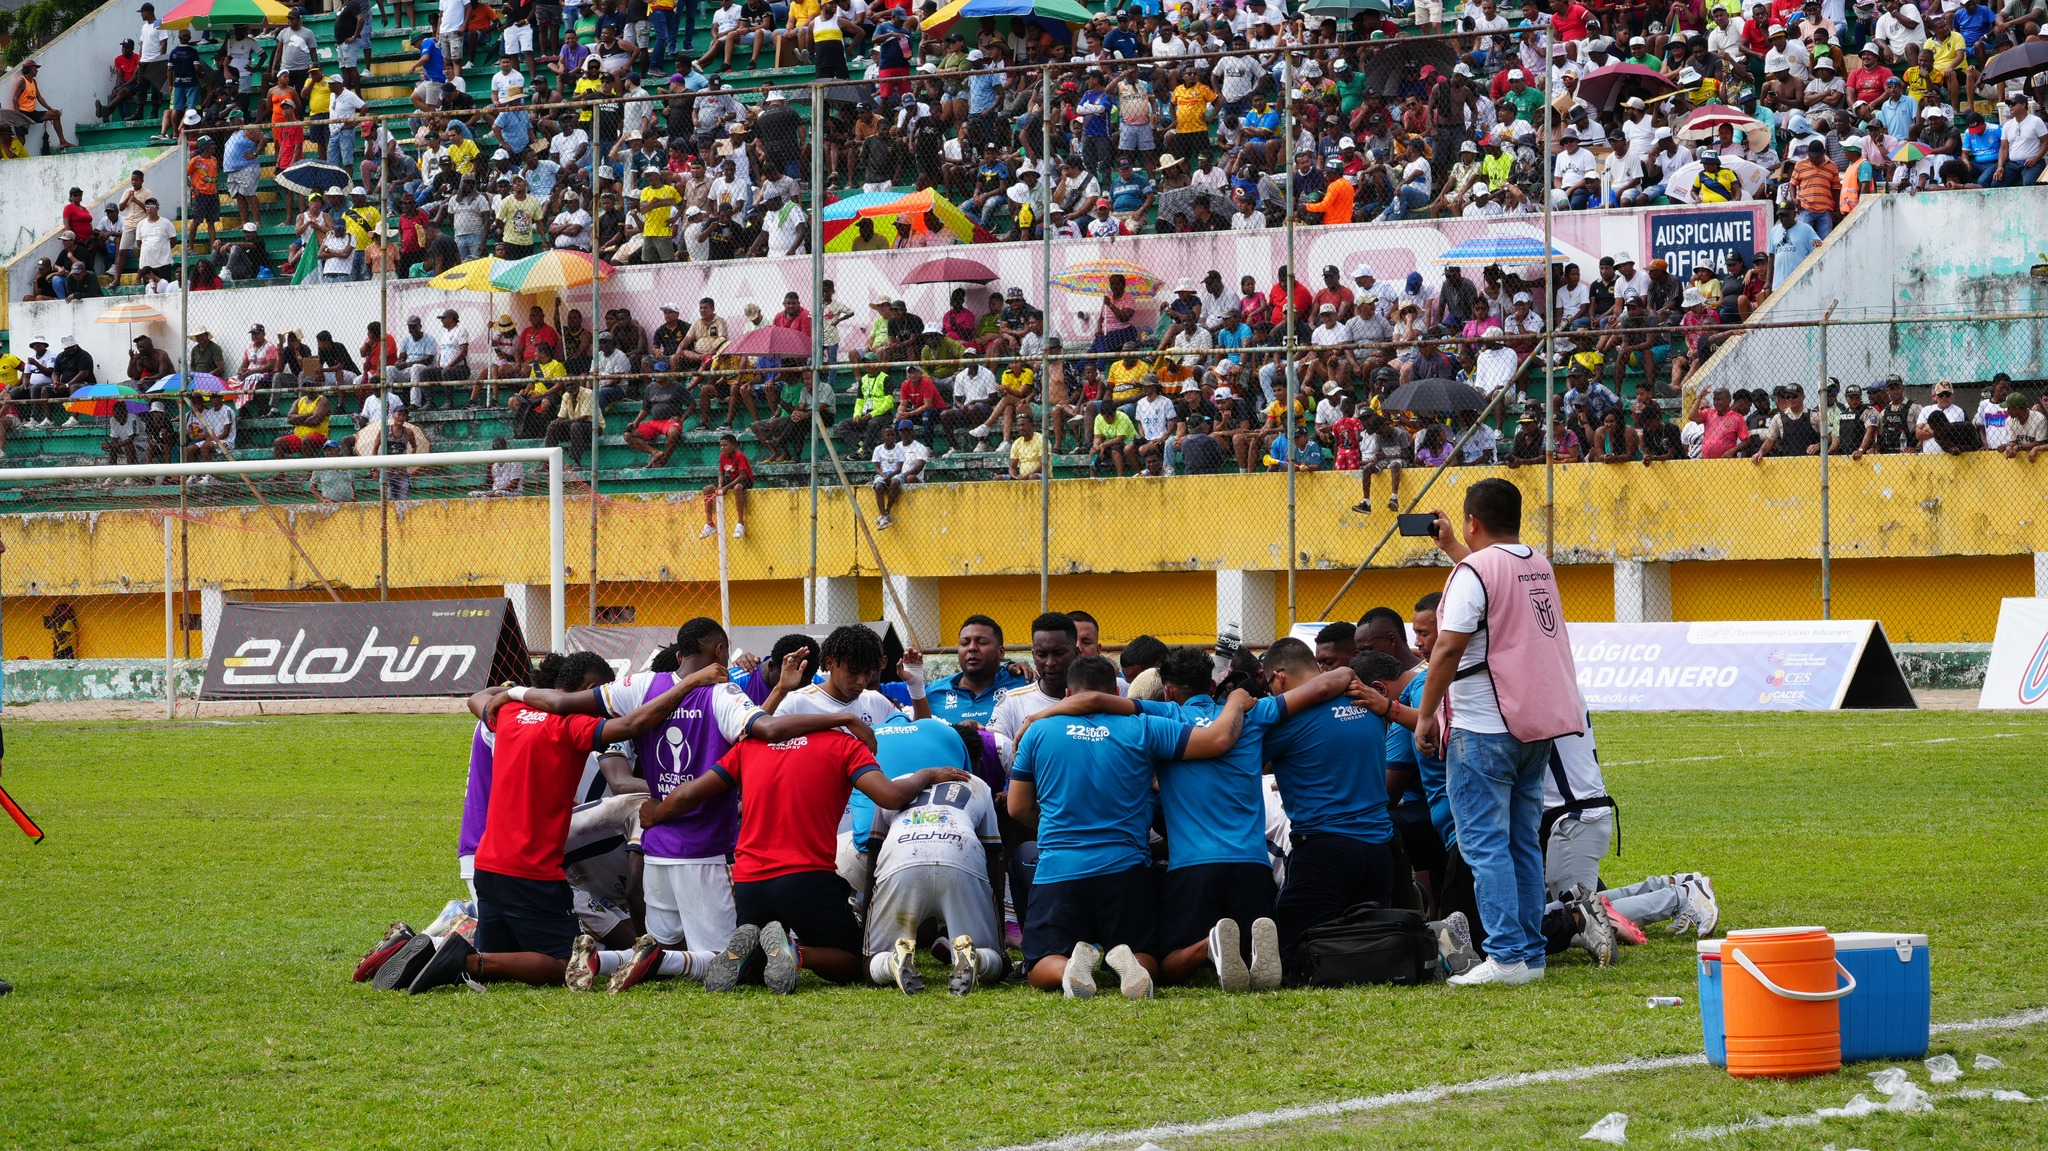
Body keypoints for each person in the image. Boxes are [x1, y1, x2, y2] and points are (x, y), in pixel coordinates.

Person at [1031, 645, 1384, 990]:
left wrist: (1039, 718)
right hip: (1251, 863)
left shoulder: (1162, 718)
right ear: (1213, 685)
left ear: (1168, 690)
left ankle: (1207, 946)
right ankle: (1248, 949)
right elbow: (1326, 684)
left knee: (1167, 966)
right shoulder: (1255, 713)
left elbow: (1095, 701)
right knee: (1254, 926)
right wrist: (1354, 679)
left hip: (1192, 866)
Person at [399, 663, 727, 993]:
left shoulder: (511, 712)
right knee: (563, 965)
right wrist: (691, 683)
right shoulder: (572, 724)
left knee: (503, 960)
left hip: (487, 865)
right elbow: (633, 724)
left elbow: (478, 698)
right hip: (533, 871)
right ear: (589, 688)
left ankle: (419, 949)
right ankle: (468, 961)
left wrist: (511, 691)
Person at [632, 710, 963, 993]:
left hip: (750, 883)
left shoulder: (750, 746)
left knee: (758, 971)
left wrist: (655, 814)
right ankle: (795, 953)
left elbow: (690, 794)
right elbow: (890, 796)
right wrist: (926, 774)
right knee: (851, 960)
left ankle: (752, 956)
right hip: (806, 878)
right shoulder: (844, 744)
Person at [1414, 478, 1584, 987]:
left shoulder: (1474, 572)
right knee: (1521, 843)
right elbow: (1492, 585)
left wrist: (1425, 715)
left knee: (1485, 845)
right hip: (1535, 725)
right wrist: (1452, 549)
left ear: (1472, 520)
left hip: (1482, 726)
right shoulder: (1535, 562)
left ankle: (1507, 956)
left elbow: (1446, 649)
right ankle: (1529, 953)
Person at [1007, 654, 1248, 999]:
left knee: (1041, 963)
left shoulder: (1037, 732)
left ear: (1067, 692)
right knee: (1145, 955)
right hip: (1125, 869)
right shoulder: (1144, 726)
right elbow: (1217, 741)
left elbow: (1018, 807)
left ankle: (1069, 968)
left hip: (1059, 869)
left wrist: (1057, 826)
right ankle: (1127, 965)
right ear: (1115, 691)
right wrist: (1237, 700)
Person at [858, 718, 1009, 995]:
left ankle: (890, 960)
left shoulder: (896, 783)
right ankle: (978, 957)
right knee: (996, 962)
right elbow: (994, 862)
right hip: (960, 854)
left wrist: (869, 917)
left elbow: (873, 859)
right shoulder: (978, 785)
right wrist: (998, 938)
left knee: (870, 965)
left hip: (901, 859)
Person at [926, 615, 1028, 724]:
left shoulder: (1023, 686)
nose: (971, 648)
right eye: (965, 643)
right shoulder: (934, 692)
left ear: (1001, 652)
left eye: (982, 642)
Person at [700, 432, 752, 540]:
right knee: (707, 489)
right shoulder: (722, 456)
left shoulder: (739, 455)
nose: (722, 447)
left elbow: (743, 475)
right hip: (732, 479)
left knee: (737, 488)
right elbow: (721, 474)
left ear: (733, 445)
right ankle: (710, 524)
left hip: (745, 479)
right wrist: (719, 485)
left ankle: (740, 523)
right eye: (721, 445)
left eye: (725, 445)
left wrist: (727, 487)